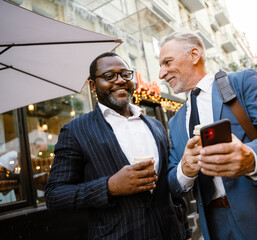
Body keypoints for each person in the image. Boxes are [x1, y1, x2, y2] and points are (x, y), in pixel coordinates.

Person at [159, 32, 257, 240]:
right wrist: (185, 169)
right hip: (217, 227)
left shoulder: (242, 81)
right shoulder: (175, 122)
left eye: (167, 62)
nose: (161, 74)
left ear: (194, 55)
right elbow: (173, 184)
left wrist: (251, 158)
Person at [45, 52, 189, 239]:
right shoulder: (75, 131)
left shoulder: (155, 125)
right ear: (93, 85)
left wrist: (184, 230)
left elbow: (170, 188)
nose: (120, 80)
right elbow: (55, 196)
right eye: (109, 76)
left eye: (125, 74)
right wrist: (110, 186)